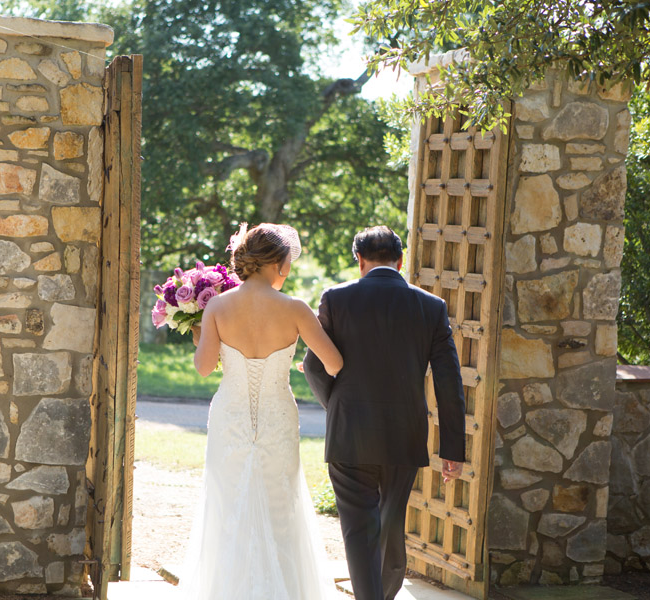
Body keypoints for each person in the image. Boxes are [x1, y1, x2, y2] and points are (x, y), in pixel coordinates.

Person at [179, 223, 343, 600]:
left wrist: (203, 335)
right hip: (277, 417)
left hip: (229, 416)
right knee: (280, 506)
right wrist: (299, 360)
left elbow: (203, 367)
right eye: (289, 261)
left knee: (226, 503)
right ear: (279, 264)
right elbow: (333, 363)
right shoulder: (296, 309)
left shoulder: (218, 306)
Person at [303, 225, 466, 600]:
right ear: (401, 259)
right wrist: (452, 450)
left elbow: (313, 367)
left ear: (358, 260)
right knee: (390, 527)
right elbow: (448, 382)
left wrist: (339, 407)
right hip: (404, 435)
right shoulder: (431, 306)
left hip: (349, 435)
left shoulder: (335, 299)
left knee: (359, 531)